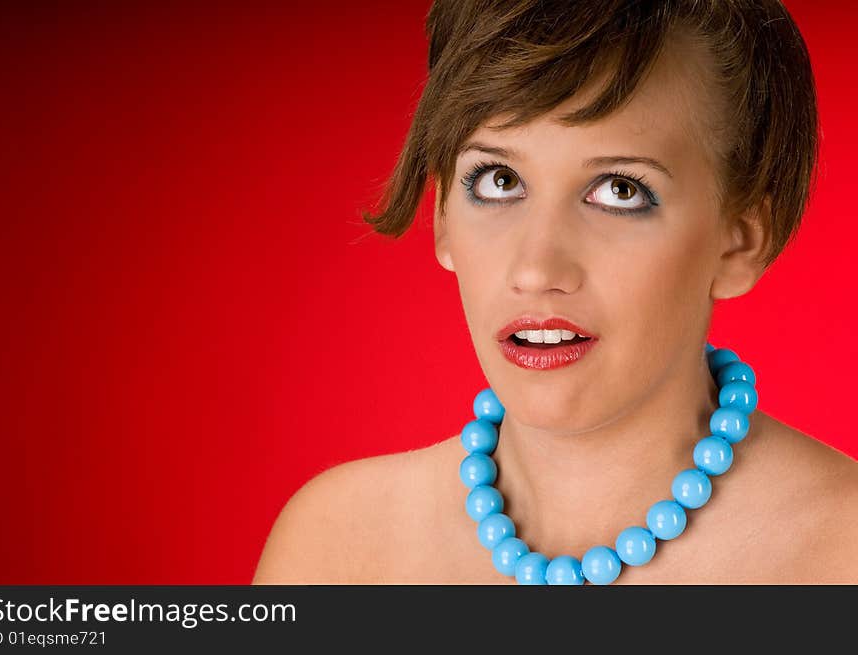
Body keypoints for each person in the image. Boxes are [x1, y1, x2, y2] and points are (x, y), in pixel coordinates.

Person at [252, 0, 858, 584]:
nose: (537, 268)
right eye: (499, 180)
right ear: (441, 218)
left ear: (740, 242)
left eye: (620, 190)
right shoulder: (335, 546)